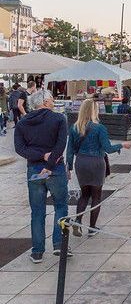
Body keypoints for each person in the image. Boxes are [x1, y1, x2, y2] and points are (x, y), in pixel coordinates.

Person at [13, 89, 70, 263]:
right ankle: (59, 245)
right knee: (61, 206)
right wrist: (50, 162)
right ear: (45, 102)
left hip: (34, 170)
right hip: (55, 170)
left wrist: (40, 157)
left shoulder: (22, 123)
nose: (53, 102)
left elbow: (20, 149)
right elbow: (61, 145)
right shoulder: (59, 119)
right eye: (52, 99)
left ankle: (37, 252)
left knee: (37, 212)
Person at [67, 99, 131, 237]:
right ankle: (92, 228)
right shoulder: (100, 128)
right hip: (96, 162)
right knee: (96, 196)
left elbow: (70, 149)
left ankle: (78, 221)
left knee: (84, 194)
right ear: (94, 111)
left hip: (81, 163)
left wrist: (68, 167)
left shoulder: (74, 128)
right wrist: (122, 145)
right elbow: (107, 148)